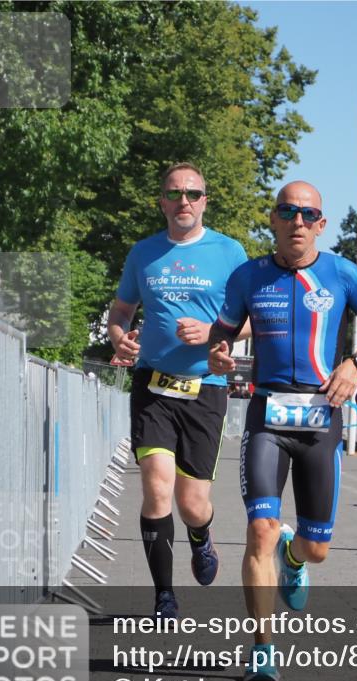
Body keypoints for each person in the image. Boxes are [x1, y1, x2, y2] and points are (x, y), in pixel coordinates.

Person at [208, 180, 357, 681]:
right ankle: (262, 649)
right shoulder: (248, 276)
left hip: (320, 419)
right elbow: (223, 331)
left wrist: (356, 363)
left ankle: (294, 558)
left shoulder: (342, 273)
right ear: (273, 218)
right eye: (288, 211)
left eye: (308, 214)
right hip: (266, 418)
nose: (297, 221)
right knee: (259, 530)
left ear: (321, 224)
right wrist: (218, 352)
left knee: (317, 549)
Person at [107, 162, 250, 619]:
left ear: (205, 201)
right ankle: (164, 596)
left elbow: (252, 318)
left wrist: (212, 332)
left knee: (192, 504)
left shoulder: (229, 252)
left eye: (192, 193)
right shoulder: (144, 253)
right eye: (174, 194)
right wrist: (118, 337)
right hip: (152, 384)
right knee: (156, 488)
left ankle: (201, 535)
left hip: (206, 387)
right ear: (162, 203)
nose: (183, 201)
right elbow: (121, 310)